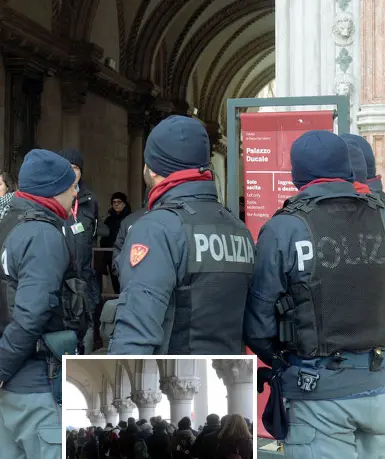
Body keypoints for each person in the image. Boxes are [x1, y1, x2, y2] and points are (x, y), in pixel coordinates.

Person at [245, 131, 385, 458]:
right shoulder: (380, 217)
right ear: (349, 169)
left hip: (317, 395)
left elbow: (258, 323)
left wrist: (282, 363)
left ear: (297, 175)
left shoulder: (285, 227)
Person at [109, 115, 255, 355]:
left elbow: (136, 333)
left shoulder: (157, 228)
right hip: (227, 382)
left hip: (171, 384)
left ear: (152, 169)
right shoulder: (237, 228)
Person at [0, 149, 79, 458]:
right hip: (37, 387)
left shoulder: (8, 224)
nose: (76, 191)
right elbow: (31, 315)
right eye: (71, 185)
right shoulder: (43, 234)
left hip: (13, 392)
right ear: (53, 189)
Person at [58, 148, 100, 351]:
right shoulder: (53, 198)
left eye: (76, 168)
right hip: (60, 280)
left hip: (84, 277)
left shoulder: (90, 201)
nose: (72, 172)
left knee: (87, 325)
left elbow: (93, 233)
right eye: (67, 167)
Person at [100, 191, 131, 293]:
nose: (116, 204)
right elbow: (104, 240)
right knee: (115, 284)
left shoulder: (129, 218)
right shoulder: (109, 220)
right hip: (110, 255)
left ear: (124, 203)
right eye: (114, 202)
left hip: (125, 254)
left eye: (119, 202)